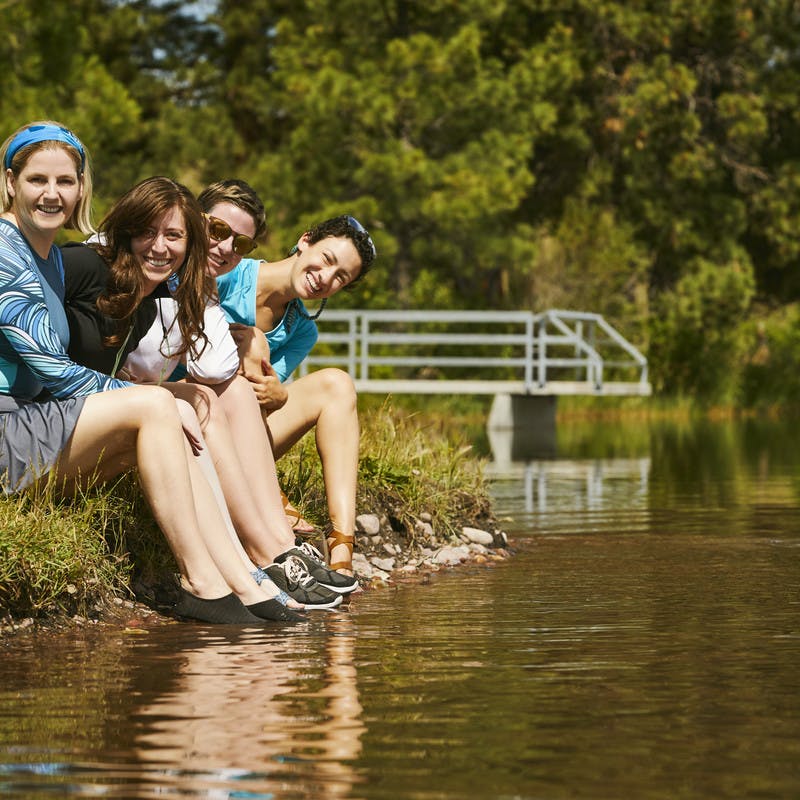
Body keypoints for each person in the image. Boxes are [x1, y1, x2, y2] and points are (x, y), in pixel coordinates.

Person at [0, 120, 300, 625]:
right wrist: (151, 399)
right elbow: (56, 371)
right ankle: (203, 581)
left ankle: (241, 580)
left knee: (178, 402)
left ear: (81, 188)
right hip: (9, 428)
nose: (52, 194)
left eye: (65, 182)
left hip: (31, 423)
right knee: (161, 403)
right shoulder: (7, 251)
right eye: (37, 180)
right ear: (11, 182)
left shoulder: (44, 255)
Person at [62, 176, 356, 609]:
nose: (225, 249)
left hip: (187, 415)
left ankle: (283, 549)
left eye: (240, 245)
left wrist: (265, 366)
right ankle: (258, 557)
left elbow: (217, 370)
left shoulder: (220, 291)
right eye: (215, 232)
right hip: (112, 414)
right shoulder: (139, 262)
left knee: (240, 391)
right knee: (217, 393)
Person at [197, 181, 376, 576]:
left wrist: (277, 396)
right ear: (305, 241)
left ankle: (342, 546)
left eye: (341, 277)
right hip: (196, 416)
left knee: (337, 384)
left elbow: (261, 396)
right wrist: (246, 341)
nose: (325, 277)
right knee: (246, 359)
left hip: (245, 430)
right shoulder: (227, 268)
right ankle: (268, 501)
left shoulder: (302, 331)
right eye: (326, 258)